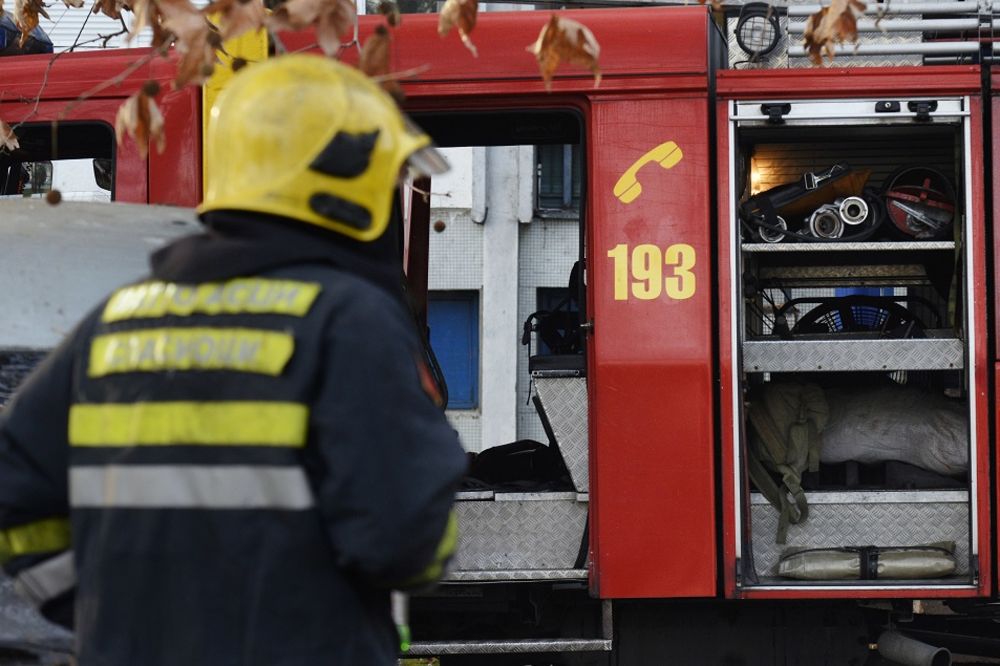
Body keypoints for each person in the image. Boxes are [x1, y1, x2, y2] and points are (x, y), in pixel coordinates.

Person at [0, 54, 468, 665]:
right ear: (346, 186)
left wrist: (90, 606)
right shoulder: (346, 321)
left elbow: (14, 488)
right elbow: (406, 542)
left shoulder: (117, 320)